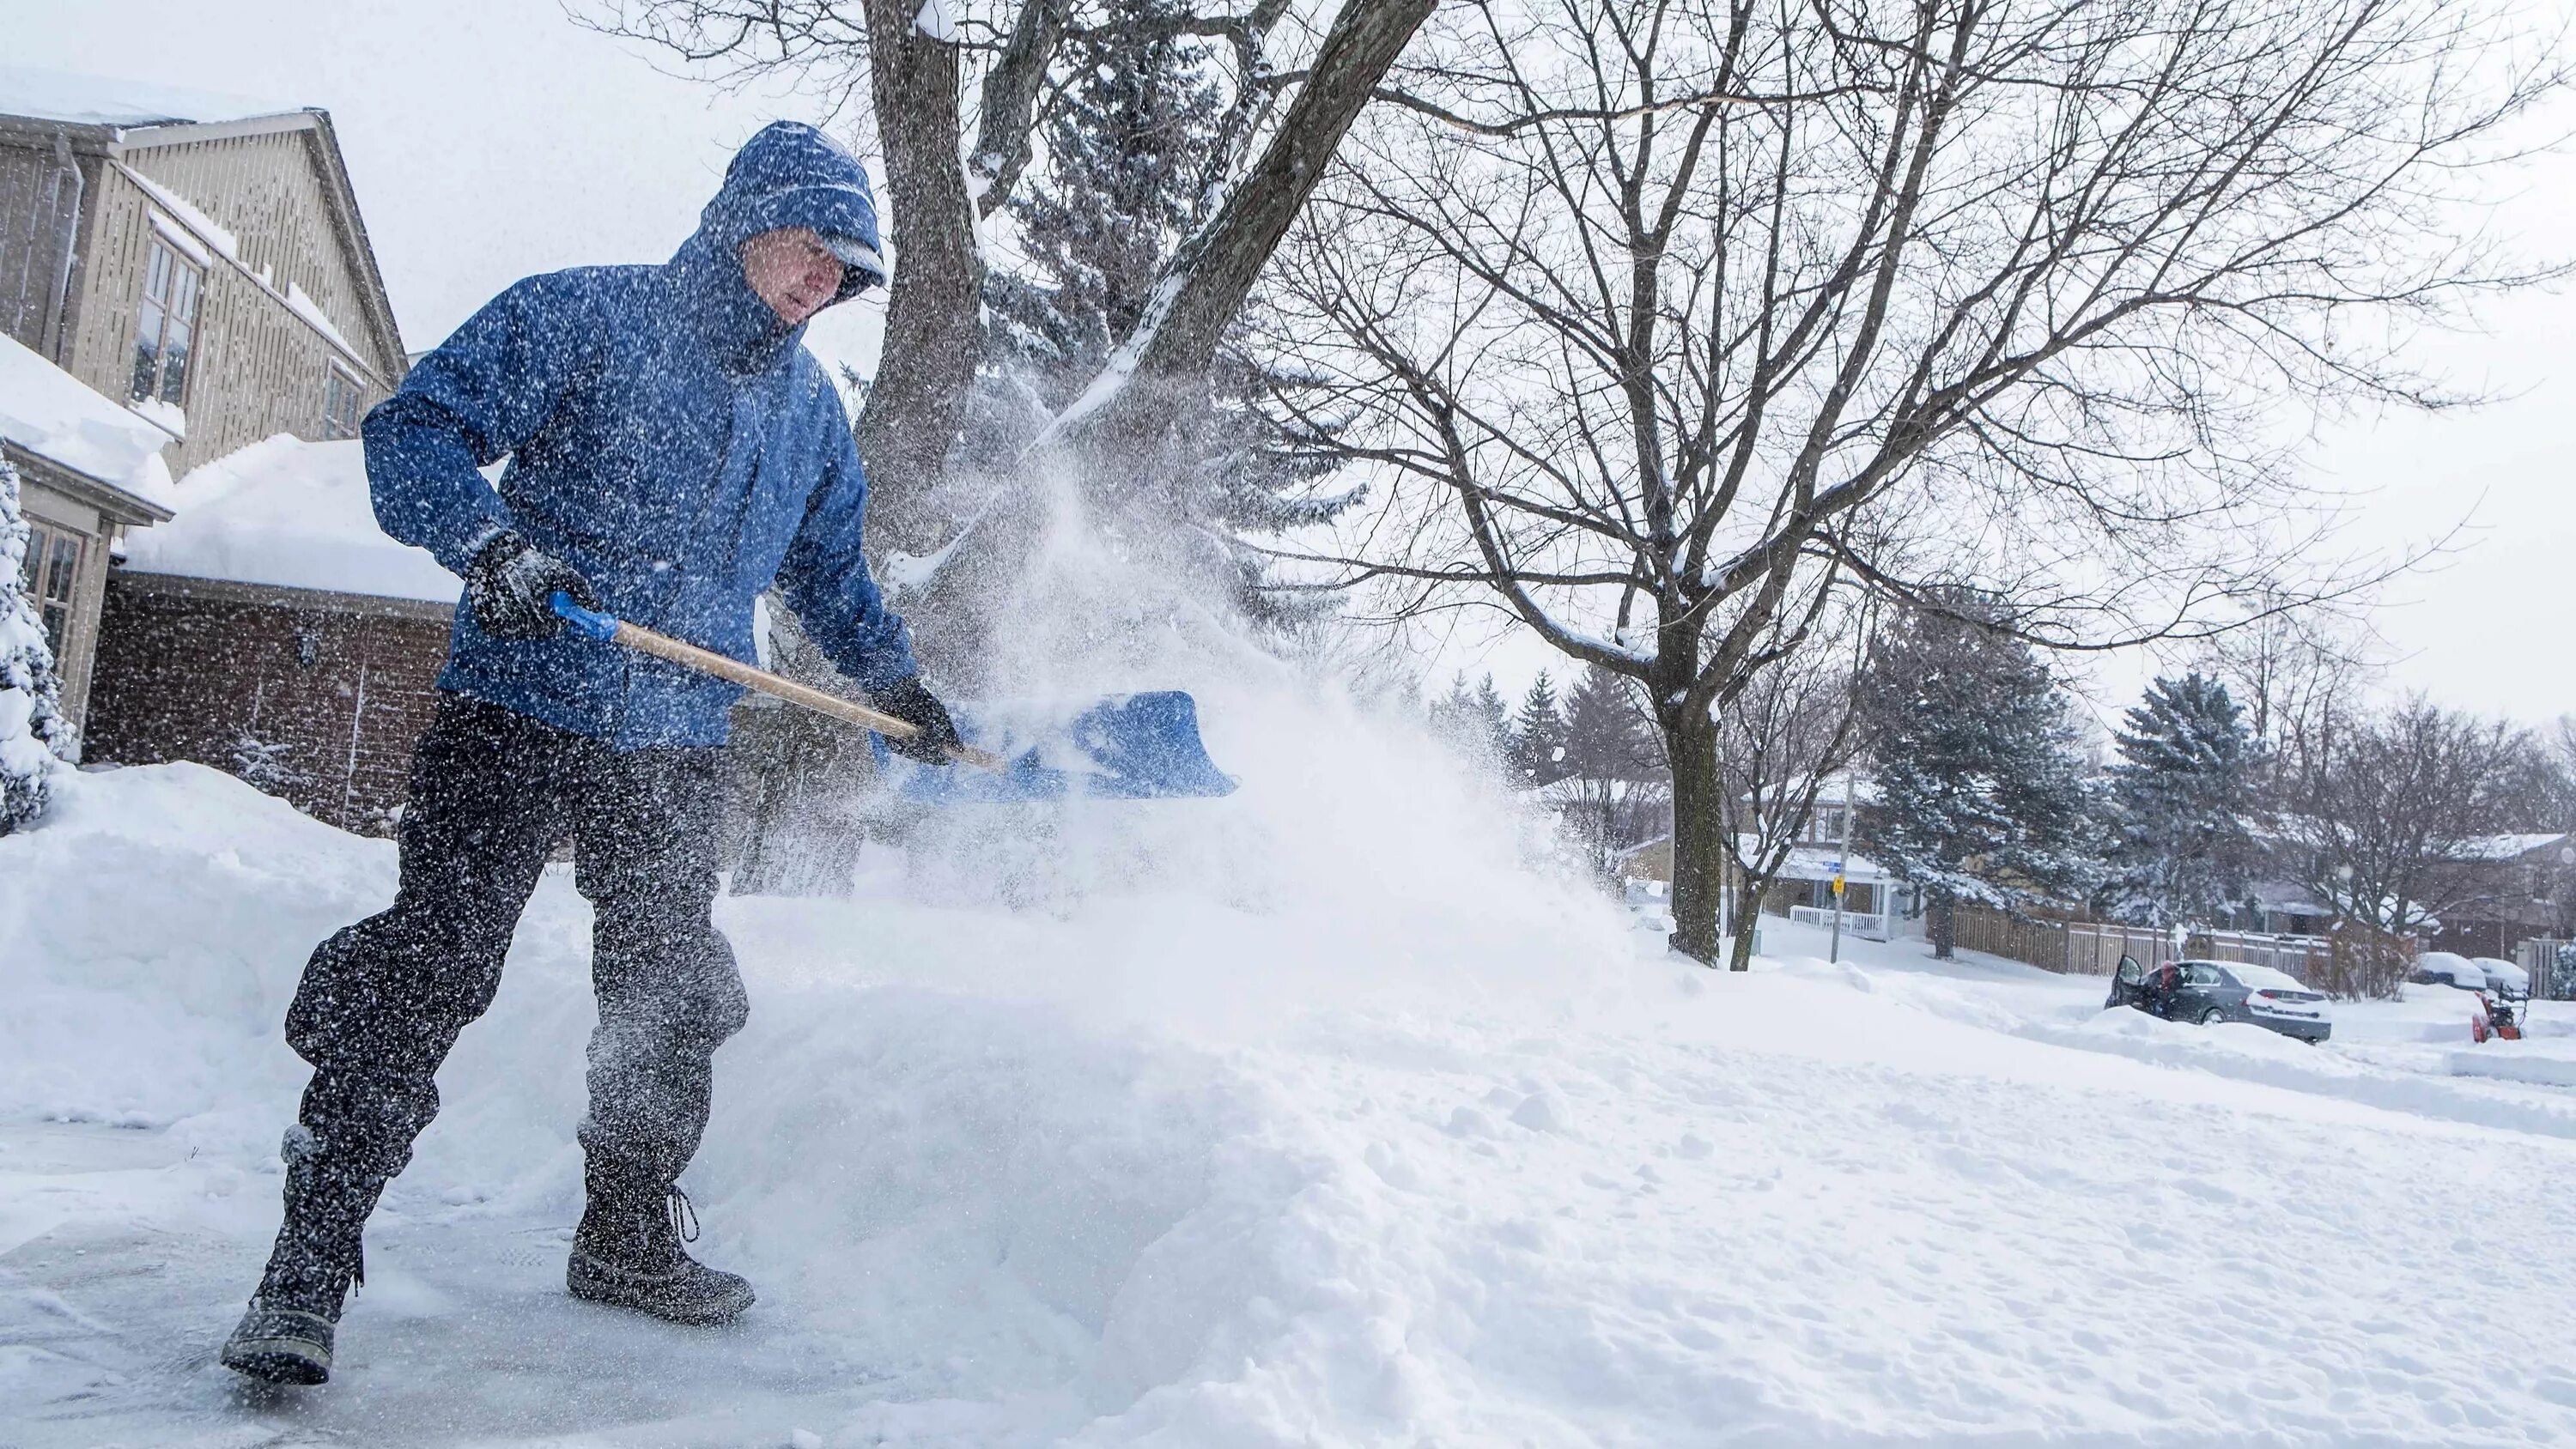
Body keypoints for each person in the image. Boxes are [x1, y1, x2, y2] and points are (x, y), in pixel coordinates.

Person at [220, 122, 960, 1386]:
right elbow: (418, 432)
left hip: (675, 740)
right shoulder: (585, 317)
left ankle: (624, 1234)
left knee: (669, 994)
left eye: (846, 270)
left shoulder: (807, 415)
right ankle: (307, 1263)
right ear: (745, 223)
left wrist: (892, 678)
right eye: (808, 251)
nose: (821, 282)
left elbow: (829, 569)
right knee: (434, 963)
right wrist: (491, 546)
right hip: (520, 700)